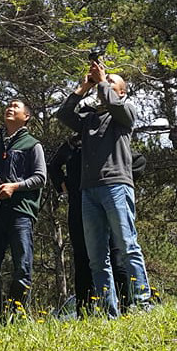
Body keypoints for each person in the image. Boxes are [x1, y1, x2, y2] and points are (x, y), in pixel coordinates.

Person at [57, 61, 151, 316]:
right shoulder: (88, 120)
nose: (105, 84)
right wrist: (84, 86)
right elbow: (63, 114)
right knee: (97, 256)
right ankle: (108, 309)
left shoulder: (124, 113)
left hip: (117, 186)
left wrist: (100, 83)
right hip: (89, 190)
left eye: (112, 83)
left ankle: (142, 303)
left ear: (121, 92)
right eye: (105, 80)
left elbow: (120, 109)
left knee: (127, 245)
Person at [0, 98, 46, 317]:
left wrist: (14, 187)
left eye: (16, 106)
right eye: (8, 105)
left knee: (22, 268)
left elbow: (40, 178)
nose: (9, 108)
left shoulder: (32, 144)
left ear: (26, 116)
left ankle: (17, 317)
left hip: (20, 213)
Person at [49, 134, 128, 316]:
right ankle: (85, 313)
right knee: (82, 259)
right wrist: (64, 186)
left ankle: (126, 307)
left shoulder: (107, 139)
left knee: (116, 256)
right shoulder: (72, 143)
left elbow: (136, 160)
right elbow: (54, 166)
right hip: (78, 207)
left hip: (107, 203)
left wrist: (122, 181)